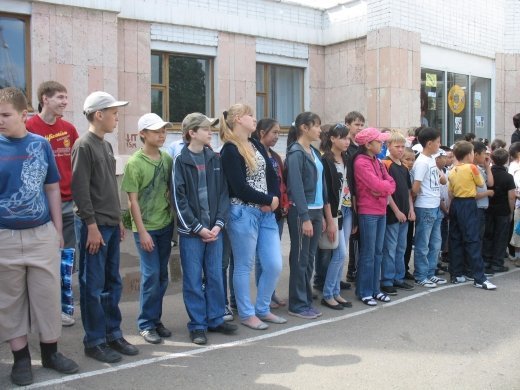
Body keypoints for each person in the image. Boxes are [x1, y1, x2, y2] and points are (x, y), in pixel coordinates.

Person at [0, 87, 78, 386]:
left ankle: (50, 353)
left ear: (23, 114)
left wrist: (57, 230)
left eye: (6, 115)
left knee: (48, 296)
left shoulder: (40, 145)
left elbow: (51, 189)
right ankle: (21, 360)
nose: (1, 121)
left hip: (41, 234)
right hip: (5, 237)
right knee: (9, 302)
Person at [72, 91, 139, 363]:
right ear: (98, 115)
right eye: (113, 113)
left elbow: (110, 187)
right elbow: (80, 190)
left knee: (112, 283)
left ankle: (113, 333)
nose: (117, 118)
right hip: (95, 227)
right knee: (93, 285)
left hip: (109, 224)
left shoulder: (106, 145)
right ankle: (95, 340)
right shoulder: (84, 145)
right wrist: (91, 225)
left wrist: (119, 221)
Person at [173, 113, 238, 345]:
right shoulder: (180, 160)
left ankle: (215, 318)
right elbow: (178, 200)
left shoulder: (215, 158)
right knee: (192, 279)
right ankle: (197, 325)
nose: (210, 131)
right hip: (192, 234)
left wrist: (219, 224)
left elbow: (223, 193)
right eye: (205, 128)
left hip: (215, 231)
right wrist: (198, 228)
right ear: (192, 133)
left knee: (214, 275)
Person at [220, 104, 285, 330]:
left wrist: (273, 199)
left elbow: (271, 175)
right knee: (244, 266)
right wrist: (268, 200)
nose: (254, 118)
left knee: (274, 264)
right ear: (238, 119)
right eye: (250, 115)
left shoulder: (255, 143)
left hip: (266, 214)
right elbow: (238, 187)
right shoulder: (229, 150)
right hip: (243, 213)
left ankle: (263, 308)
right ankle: (247, 313)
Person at [26, 80, 79, 327]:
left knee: (66, 260)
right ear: (44, 99)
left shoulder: (69, 129)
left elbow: (76, 166)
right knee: (43, 261)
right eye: (60, 97)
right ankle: (37, 309)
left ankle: (63, 308)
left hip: (69, 204)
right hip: (40, 206)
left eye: (66, 97)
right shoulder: (28, 128)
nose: (65, 102)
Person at [121, 113, 174, 344]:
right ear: (143, 134)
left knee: (162, 276)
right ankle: (144, 324)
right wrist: (141, 232)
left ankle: (155, 320)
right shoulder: (134, 163)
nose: (161, 135)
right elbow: (132, 201)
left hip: (165, 225)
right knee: (150, 274)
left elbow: (170, 192)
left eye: (163, 131)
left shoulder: (167, 159)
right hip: (146, 229)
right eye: (155, 131)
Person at [285, 112, 327, 319]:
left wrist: (325, 215)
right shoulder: (295, 153)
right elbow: (296, 187)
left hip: (317, 209)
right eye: (317, 126)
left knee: (309, 258)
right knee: (300, 258)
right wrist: (305, 217)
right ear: (304, 127)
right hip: (303, 211)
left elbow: (322, 184)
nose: (320, 130)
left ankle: (305, 298)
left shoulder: (314, 152)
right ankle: (297, 304)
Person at [351, 128, 395, 305]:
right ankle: (364, 291)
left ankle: (375, 289)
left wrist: (382, 189)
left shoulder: (377, 161)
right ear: (368, 144)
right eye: (379, 141)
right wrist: (382, 188)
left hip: (380, 210)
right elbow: (375, 184)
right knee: (368, 253)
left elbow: (390, 184)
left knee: (378, 252)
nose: (382, 144)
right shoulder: (361, 162)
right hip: (368, 211)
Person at [447, 141, 497, 290]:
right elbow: (481, 183)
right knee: (473, 239)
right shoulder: (472, 167)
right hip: (468, 204)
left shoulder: (452, 169)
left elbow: (450, 191)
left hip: (455, 203)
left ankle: (456, 274)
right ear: (469, 154)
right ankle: (479, 278)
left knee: (455, 238)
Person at [252, 118, 289, 309]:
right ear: (261, 133)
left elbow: (281, 183)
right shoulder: (254, 153)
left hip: (277, 211)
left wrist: (283, 203)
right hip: (261, 209)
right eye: (274, 132)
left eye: (279, 132)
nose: (277, 136)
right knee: (261, 258)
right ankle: (262, 296)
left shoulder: (275, 157)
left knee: (271, 256)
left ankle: (270, 293)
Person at [319, 123, 354, 310]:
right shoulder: (326, 161)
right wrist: (329, 219)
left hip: (347, 210)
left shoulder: (348, 158)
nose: (347, 141)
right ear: (332, 139)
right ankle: (327, 294)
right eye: (343, 138)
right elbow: (325, 193)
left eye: (348, 138)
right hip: (335, 212)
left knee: (342, 253)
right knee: (340, 253)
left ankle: (334, 292)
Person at [411, 127, 447, 288]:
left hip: (434, 205)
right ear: (429, 143)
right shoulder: (421, 162)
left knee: (435, 243)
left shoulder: (431, 159)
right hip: (425, 206)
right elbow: (415, 188)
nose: (440, 145)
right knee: (423, 243)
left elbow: (442, 179)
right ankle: (421, 274)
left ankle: (430, 273)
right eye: (438, 142)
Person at [380, 131, 415, 295]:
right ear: (388, 147)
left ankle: (398, 278)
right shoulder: (385, 165)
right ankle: (387, 280)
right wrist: (397, 210)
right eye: (397, 146)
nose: (400, 150)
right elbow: (386, 193)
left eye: (402, 146)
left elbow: (408, 191)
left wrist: (411, 210)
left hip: (404, 214)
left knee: (402, 247)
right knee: (390, 248)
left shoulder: (403, 167)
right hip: (392, 214)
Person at [482, 148, 516, 271]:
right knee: (501, 236)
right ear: (506, 160)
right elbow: (511, 197)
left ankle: (486, 260)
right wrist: (511, 211)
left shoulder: (487, 173)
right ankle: (497, 262)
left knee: (487, 235)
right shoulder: (508, 177)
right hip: (502, 210)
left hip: (488, 208)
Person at [344, 111, 365, 283]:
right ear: (348, 125)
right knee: (352, 232)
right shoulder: (347, 147)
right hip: (347, 195)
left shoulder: (360, 148)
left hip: (358, 194)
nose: (359, 128)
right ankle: (352, 269)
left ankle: (354, 268)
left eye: (361, 125)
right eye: (356, 124)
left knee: (355, 233)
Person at [402, 147, 416, 280]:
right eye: (407, 159)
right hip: (401, 211)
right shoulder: (401, 171)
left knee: (407, 241)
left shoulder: (412, 173)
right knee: (400, 243)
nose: (411, 162)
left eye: (413, 159)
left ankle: (405, 268)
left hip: (410, 212)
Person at [508, 142, 520, 261]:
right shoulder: (513, 166)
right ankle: (517, 255)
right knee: (518, 230)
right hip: (518, 202)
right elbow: (512, 187)